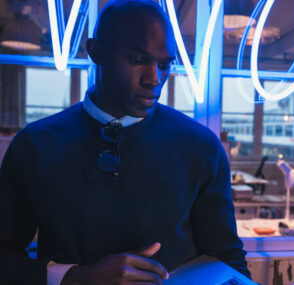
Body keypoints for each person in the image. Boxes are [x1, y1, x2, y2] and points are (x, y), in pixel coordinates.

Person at [0, 0, 250, 284]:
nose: (154, 79)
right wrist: (73, 277)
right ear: (96, 52)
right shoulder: (34, 145)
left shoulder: (201, 147)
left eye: (165, 64)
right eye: (136, 59)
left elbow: (228, 258)